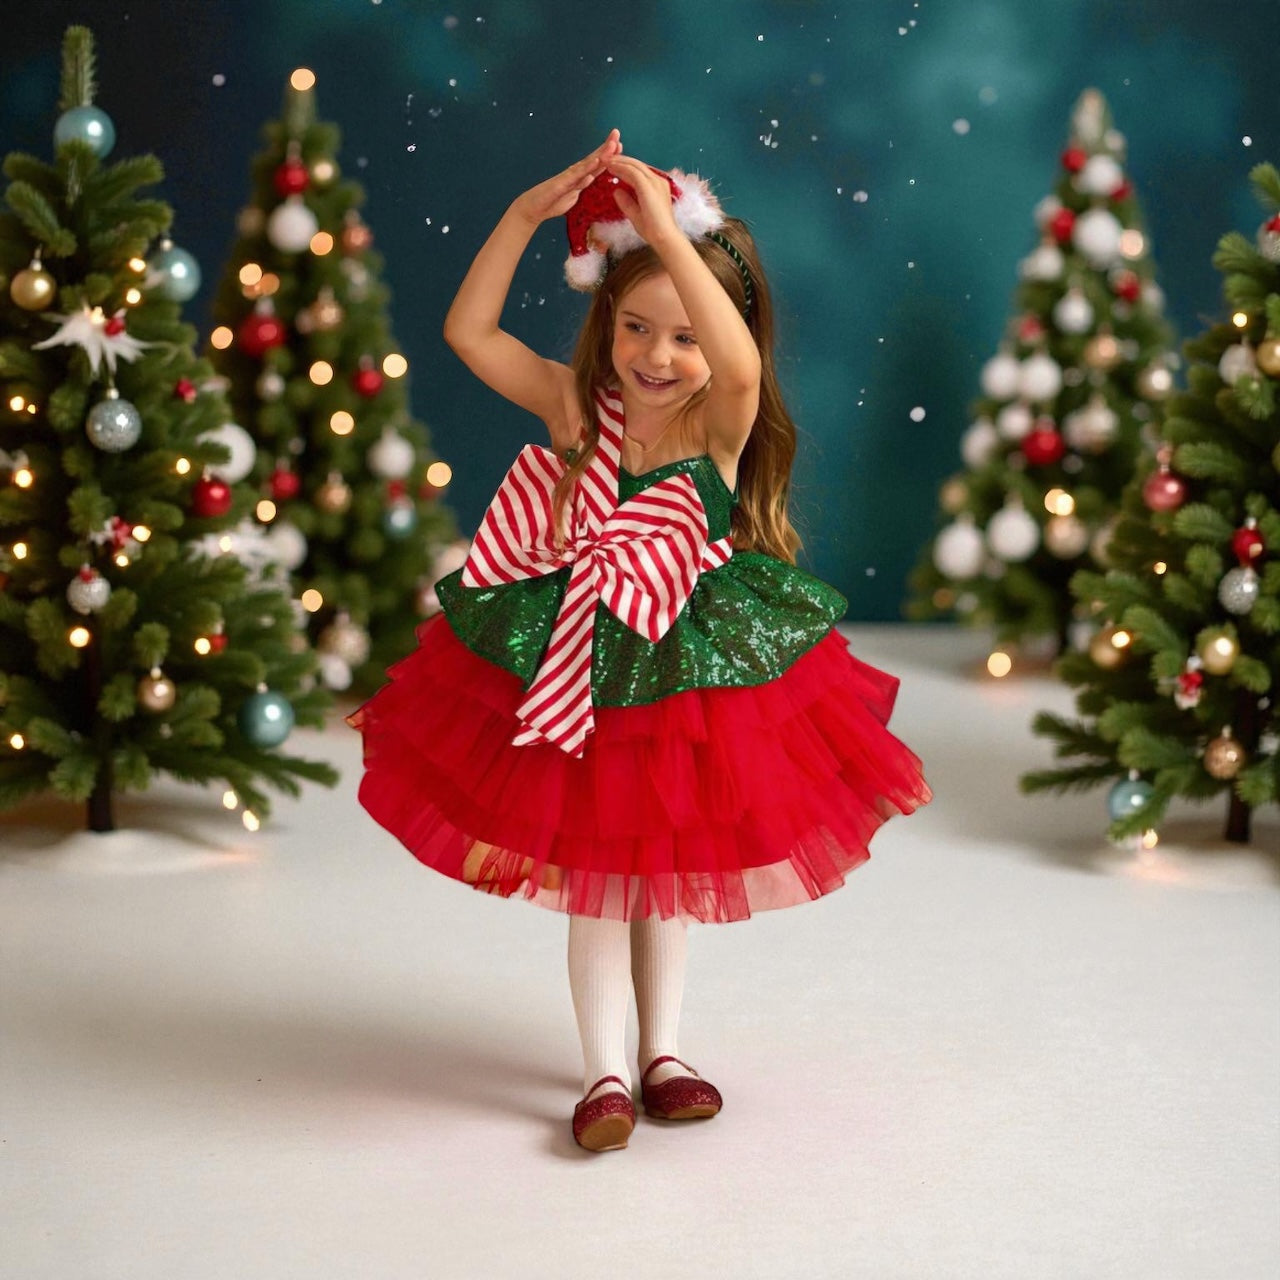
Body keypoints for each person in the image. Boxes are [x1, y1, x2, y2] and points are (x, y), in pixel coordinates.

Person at [349, 129, 930, 1153]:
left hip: (680, 660)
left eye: (682, 336)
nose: (656, 357)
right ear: (604, 323)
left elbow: (742, 362)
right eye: (634, 327)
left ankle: (664, 1052)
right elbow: (467, 332)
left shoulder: (719, 425)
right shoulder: (578, 409)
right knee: (595, 882)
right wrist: (525, 217)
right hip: (579, 653)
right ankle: (603, 1070)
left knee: (665, 876)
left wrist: (663, 227)